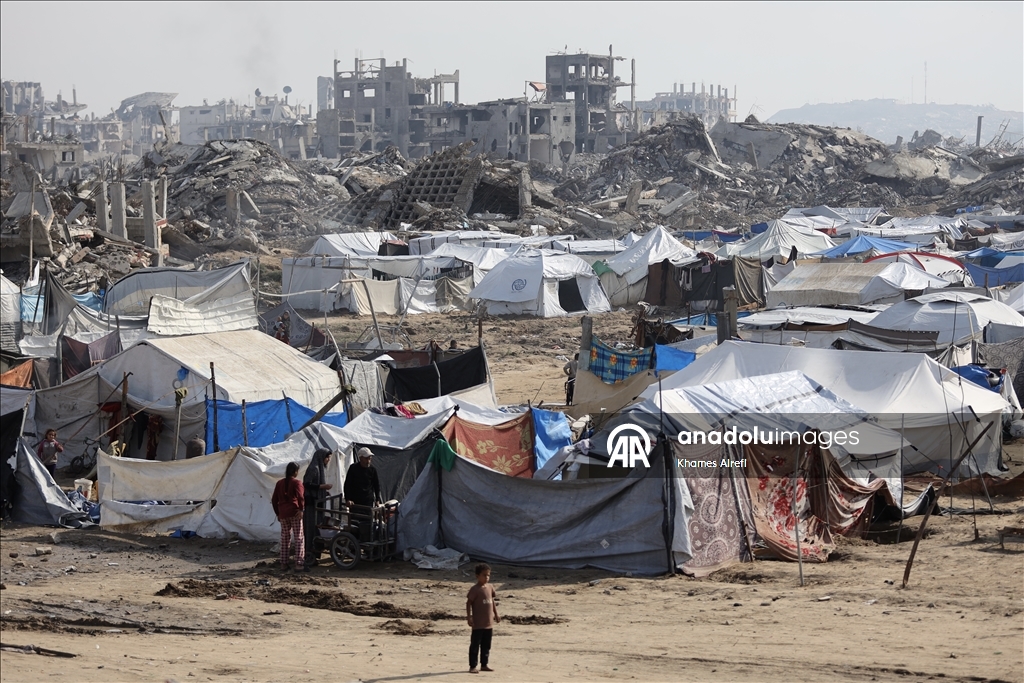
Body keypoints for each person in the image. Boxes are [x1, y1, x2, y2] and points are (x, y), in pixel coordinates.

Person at [302, 448, 333, 568]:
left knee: (318, 527)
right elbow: (306, 484)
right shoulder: (314, 468)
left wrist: (324, 492)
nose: (328, 460)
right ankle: (309, 552)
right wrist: (322, 486)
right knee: (311, 527)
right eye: (327, 457)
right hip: (311, 504)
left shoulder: (321, 469)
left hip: (318, 503)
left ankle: (315, 553)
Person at [271, 462, 305, 571]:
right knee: (299, 538)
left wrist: (278, 513)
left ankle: (283, 563)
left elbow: (274, 500)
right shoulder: (297, 483)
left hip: (283, 514)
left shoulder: (279, 483)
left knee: (285, 538)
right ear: (295, 471)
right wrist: (301, 509)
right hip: (294, 513)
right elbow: (300, 497)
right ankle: (299, 563)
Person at [466, 563, 499, 673]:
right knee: (475, 645)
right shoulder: (475, 589)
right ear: (477, 576)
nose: (487, 578)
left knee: (486, 645)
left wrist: (496, 614)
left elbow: (492, 601)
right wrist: (469, 617)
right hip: (478, 623)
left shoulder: (490, 587)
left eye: (488, 575)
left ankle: (484, 664)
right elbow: (469, 603)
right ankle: (472, 666)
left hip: (488, 623)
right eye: (484, 575)